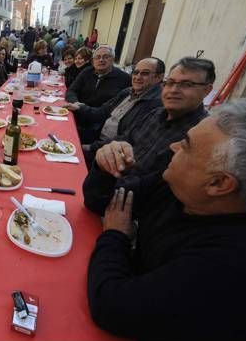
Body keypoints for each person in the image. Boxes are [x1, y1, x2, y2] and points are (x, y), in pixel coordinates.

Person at [88, 98, 246, 341]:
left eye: (186, 145)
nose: (173, 146)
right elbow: (102, 201)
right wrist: (103, 168)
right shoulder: (179, 186)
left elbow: (112, 306)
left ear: (219, 183)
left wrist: (115, 237)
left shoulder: (234, 262)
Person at [83, 57, 215, 215]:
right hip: (105, 185)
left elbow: (154, 188)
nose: (173, 90)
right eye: (170, 83)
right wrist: (97, 153)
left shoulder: (200, 135)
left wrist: (99, 178)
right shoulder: (155, 114)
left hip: (129, 209)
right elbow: (124, 138)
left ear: (207, 90)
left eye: (186, 84)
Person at [66, 57, 164, 149]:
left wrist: (90, 147)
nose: (138, 77)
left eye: (145, 73)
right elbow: (102, 112)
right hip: (97, 135)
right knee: (62, 133)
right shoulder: (127, 92)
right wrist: (79, 107)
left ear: (159, 77)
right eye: (136, 72)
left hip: (111, 151)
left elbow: (127, 139)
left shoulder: (156, 105)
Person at [65, 45, 131, 107]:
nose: (101, 60)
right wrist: (76, 103)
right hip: (79, 111)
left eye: (106, 57)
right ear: (93, 60)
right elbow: (71, 91)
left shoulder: (124, 78)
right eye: (97, 57)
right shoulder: (87, 72)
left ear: (113, 59)